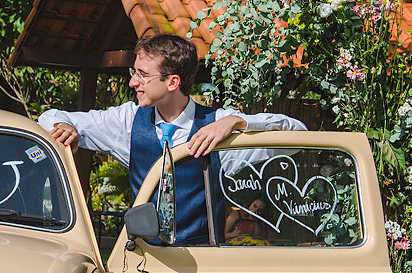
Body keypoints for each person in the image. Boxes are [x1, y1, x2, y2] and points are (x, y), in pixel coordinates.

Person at [38, 33, 305, 245]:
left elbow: (299, 134)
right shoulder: (127, 120)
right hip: (143, 259)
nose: (133, 82)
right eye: (134, 72)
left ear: (172, 82)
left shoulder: (220, 125)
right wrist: (64, 127)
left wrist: (237, 121)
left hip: (204, 263)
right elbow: (49, 116)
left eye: (143, 75)